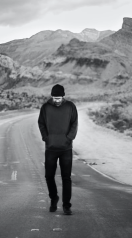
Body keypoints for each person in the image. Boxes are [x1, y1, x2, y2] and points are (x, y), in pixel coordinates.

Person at [38, 84, 78, 215]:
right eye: (55, 98)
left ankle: (67, 206)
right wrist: (46, 138)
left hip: (66, 148)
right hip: (51, 148)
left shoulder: (70, 107)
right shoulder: (45, 108)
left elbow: (74, 123)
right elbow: (41, 123)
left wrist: (69, 138)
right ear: (51, 97)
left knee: (66, 178)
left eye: (59, 98)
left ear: (63, 97)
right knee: (49, 176)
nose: (57, 100)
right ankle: (54, 198)